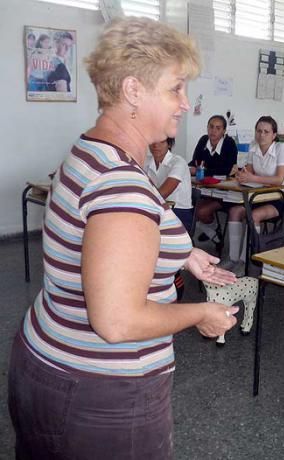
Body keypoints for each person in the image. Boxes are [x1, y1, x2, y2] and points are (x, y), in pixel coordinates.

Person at [8, 18, 239, 459]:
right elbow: (117, 322)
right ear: (134, 90)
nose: (185, 104)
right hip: (101, 394)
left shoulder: (92, 151)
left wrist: (183, 250)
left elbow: (125, 222)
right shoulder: (123, 183)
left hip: (51, 359)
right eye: (175, 88)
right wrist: (199, 314)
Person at [224, 116, 284, 267]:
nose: (261, 135)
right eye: (258, 131)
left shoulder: (281, 148)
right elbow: (249, 170)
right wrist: (241, 174)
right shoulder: (253, 147)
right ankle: (233, 258)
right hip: (260, 194)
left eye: (266, 131)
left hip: (282, 197)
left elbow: (278, 179)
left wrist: (252, 177)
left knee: (254, 215)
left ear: (274, 135)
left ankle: (244, 262)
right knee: (234, 211)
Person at [190, 115, 238, 243]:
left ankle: (211, 230)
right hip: (206, 188)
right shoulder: (203, 140)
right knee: (190, 208)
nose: (213, 131)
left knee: (200, 212)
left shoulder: (229, 143)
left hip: (225, 191)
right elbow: (195, 161)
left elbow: (226, 169)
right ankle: (213, 230)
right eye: (211, 127)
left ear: (223, 131)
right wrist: (188, 168)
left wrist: (202, 171)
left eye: (218, 128)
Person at [145, 137, 194, 232]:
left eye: (162, 142)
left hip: (178, 212)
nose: (156, 145)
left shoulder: (178, 162)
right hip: (157, 208)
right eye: (153, 141)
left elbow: (163, 193)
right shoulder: (146, 161)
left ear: (169, 144)